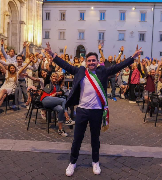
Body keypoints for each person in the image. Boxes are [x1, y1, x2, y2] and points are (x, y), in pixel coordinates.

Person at [45, 42, 141, 177]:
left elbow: (118, 66)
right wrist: (52, 55)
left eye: (93, 61)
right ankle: (72, 162)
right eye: (89, 61)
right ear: (86, 62)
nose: (91, 63)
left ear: (97, 62)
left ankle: (95, 161)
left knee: (95, 138)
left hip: (96, 111)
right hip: (82, 110)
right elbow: (65, 65)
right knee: (77, 138)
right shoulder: (80, 71)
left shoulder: (103, 72)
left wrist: (133, 57)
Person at [40, 72, 75, 136]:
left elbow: (63, 92)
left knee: (60, 109)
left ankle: (60, 129)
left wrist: (57, 93)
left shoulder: (57, 86)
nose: (55, 78)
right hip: (46, 99)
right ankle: (67, 118)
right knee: (63, 100)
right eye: (53, 76)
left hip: (52, 102)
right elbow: (48, 74)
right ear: (51, 77)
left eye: (56, 77)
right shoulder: (48, 82)